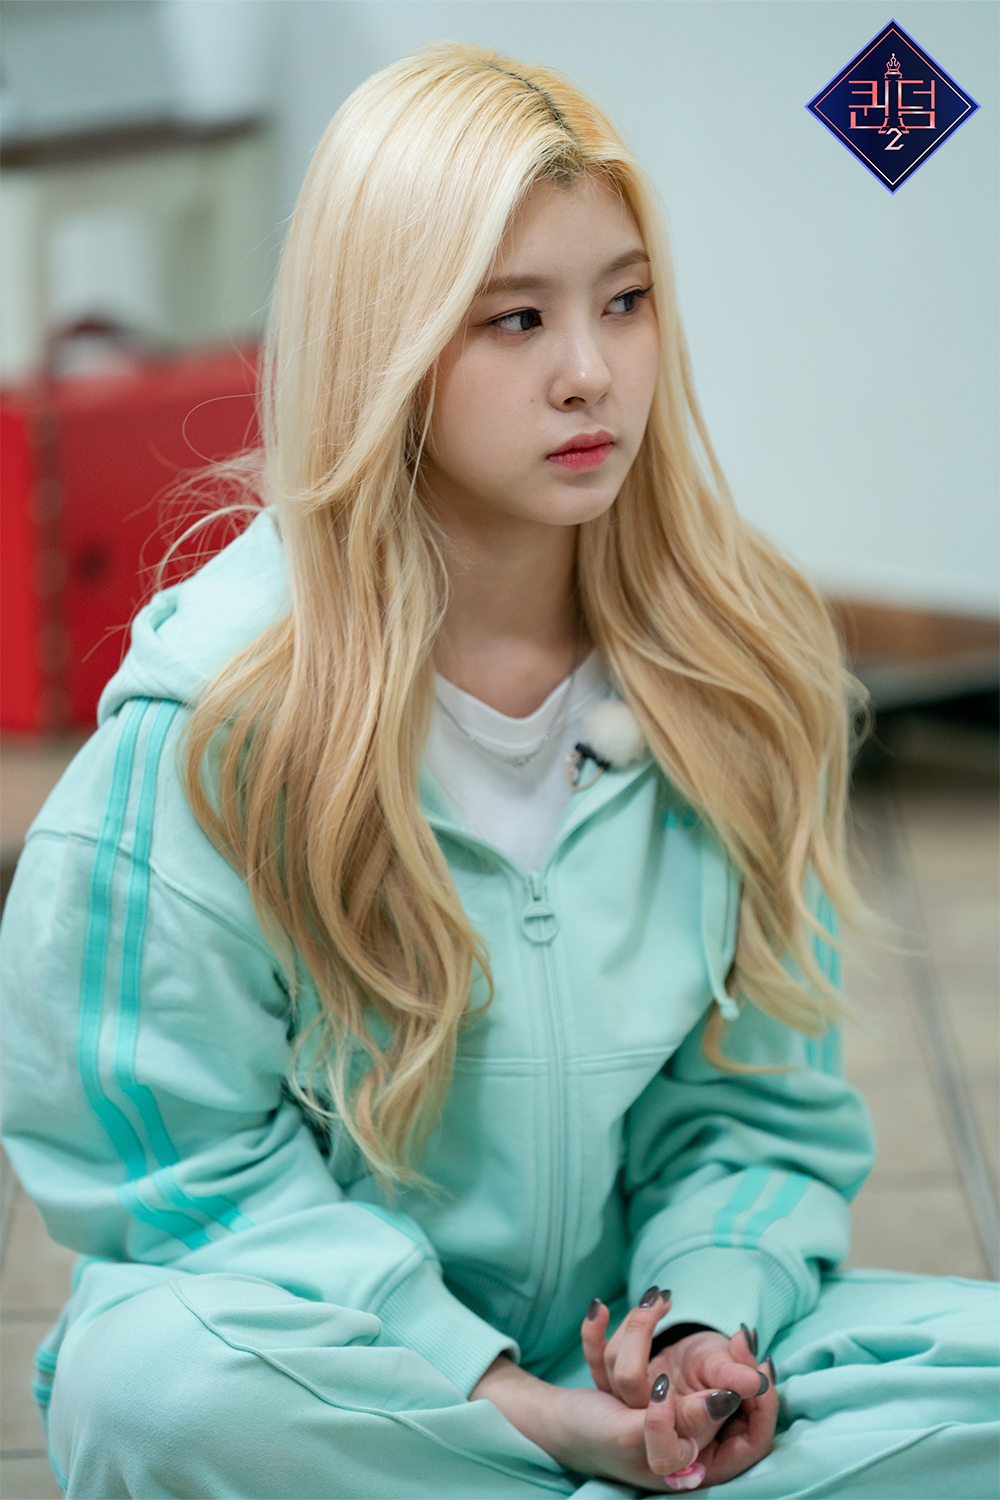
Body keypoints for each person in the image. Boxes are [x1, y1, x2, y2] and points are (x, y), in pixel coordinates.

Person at [1, 42, 996, 1500]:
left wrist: (695, 1341)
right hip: (351, 1363)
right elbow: (180, 1169)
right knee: (149, 1393)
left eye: (625, 301)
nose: (591, 372)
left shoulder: (731, 674)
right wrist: (519, 1407)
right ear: (385, 343)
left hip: (614, 1338)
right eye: (515, 319)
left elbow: (753, 1116)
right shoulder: (212, 726)